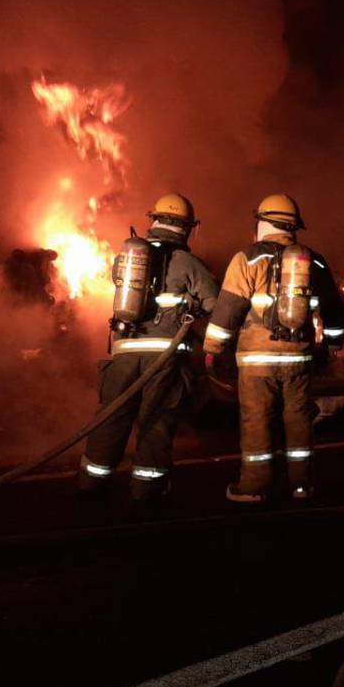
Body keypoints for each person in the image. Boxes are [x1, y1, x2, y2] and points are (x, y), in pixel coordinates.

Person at [203, 194, 344, 503]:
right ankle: (301, 486)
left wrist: (213, 348)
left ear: (263, 223)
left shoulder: (247, 259)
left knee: (257, 419)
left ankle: (255, 487)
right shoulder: (314, 260)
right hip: (299, 357)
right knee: (298, 419)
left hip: (257, 362)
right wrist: (334, 342)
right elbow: (334, 309)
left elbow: (228, 310)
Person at [76, 193, 219, 499]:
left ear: (153, 220)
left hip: (124, 353)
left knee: (111, 417)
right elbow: (215, 303)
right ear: (187, 227)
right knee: (157, 419)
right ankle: (147, 489)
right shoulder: (189, 263)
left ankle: (91, 483)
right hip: (163, 359)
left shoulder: (127, 258)